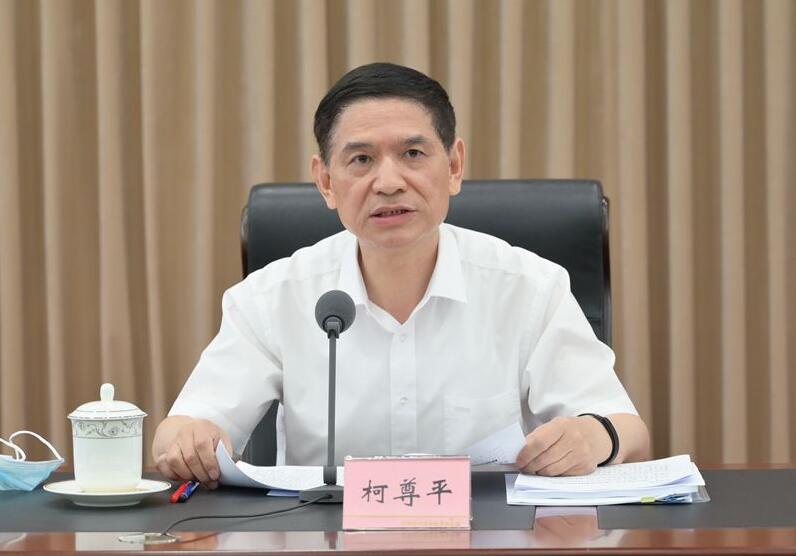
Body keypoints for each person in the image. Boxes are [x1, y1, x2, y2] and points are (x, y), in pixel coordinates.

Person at [152, 63, 650, 489]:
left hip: (489, 538)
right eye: (361, 159)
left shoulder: (529, 287)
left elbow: (627, 430)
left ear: (454, 166)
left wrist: (594, 437)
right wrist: (188, 439)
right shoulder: (270, 297)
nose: (388, 183)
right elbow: (183, 428)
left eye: (413, 154)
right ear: (325, 181)